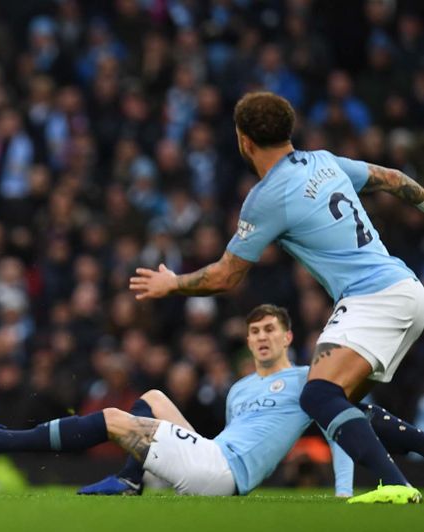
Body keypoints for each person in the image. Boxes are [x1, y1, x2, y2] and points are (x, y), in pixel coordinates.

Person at [129, 91, 424, 504]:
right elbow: (393, 179)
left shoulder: (268, 196)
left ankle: (396, 485)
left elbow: (226, 275)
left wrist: (173, 283)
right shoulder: (323, 160)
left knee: (318, 396)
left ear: (244, 140)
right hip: (407, 289)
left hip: (373, 297)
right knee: (333, 406)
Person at [0, 304, 423, 497]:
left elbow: (348, 424)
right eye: (254, 331)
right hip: (215, 453)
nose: (261, 338)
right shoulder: (241, 388)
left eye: (269, 331)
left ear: (288, 336)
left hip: (227, 473)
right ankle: (129, 480)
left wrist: (345, 491)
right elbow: (221, 438)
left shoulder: (308, 380)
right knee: (154, 396)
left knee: (116, 419)